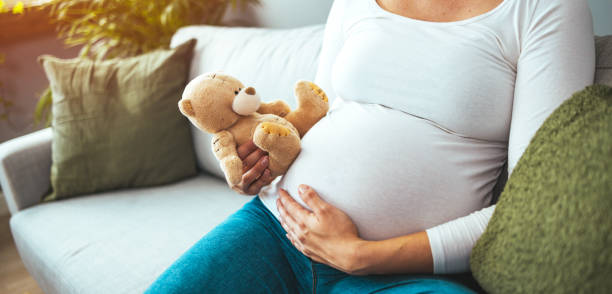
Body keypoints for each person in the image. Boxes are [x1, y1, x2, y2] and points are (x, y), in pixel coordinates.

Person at [146, 0, 595, 292]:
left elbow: (532, 203)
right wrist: (264, 164)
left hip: (403, 275)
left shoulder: (544, 9)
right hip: (277, 229)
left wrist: (364, 256)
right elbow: (313, 113)